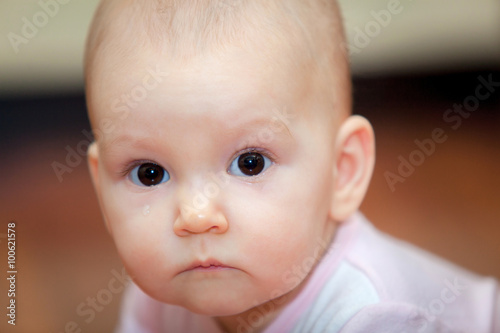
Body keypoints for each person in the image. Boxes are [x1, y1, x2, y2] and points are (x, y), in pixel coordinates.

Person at [83, 0, 500, 332]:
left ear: (343, 170)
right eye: (149, 173)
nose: (194, 215)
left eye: (250, 163)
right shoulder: (160, 293)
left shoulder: (373, 316)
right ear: (101, 189)